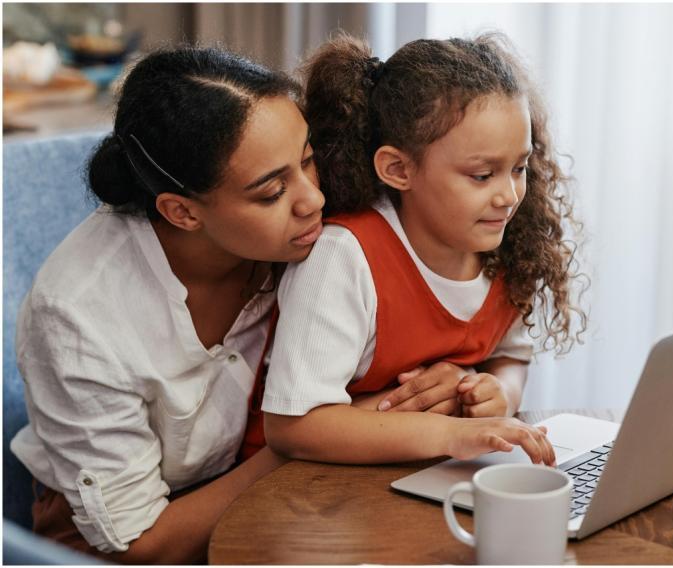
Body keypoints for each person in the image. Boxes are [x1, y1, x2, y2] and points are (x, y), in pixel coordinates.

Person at [9, 47, 325, 562]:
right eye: (272, 192)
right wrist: (304, 443)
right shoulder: (76, 315)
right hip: (121, 538)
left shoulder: (298, 240)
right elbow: (140, 545)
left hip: (267, 488)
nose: (312, 198)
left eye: (308, 160)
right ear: (181, 211)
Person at [262, 34, 585, 465]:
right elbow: (292, 427)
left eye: (519, 168)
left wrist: (498, 397)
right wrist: (451, 432)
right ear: (398, 169)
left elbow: (510, 357)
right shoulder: (343, 256)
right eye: (482, 174)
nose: (509, 195)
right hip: (310, 490)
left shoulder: (504, 245)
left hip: (425, 477)